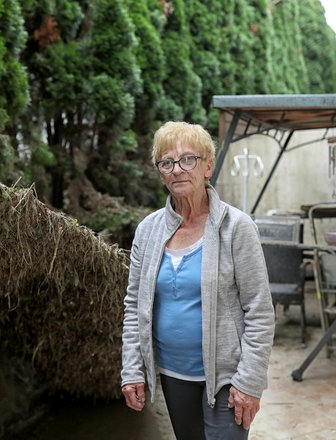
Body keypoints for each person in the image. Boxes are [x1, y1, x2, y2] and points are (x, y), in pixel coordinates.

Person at [120, 121, 275, 440]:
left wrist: (250, 382)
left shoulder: (236, 228)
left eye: (188, 159)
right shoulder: (147, 231)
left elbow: (259, 312)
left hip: (228, 380)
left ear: (208, 166)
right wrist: (132, 369)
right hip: (174, 376)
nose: (177, 169)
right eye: (167, 161)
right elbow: (135, 307)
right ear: (160, 171)